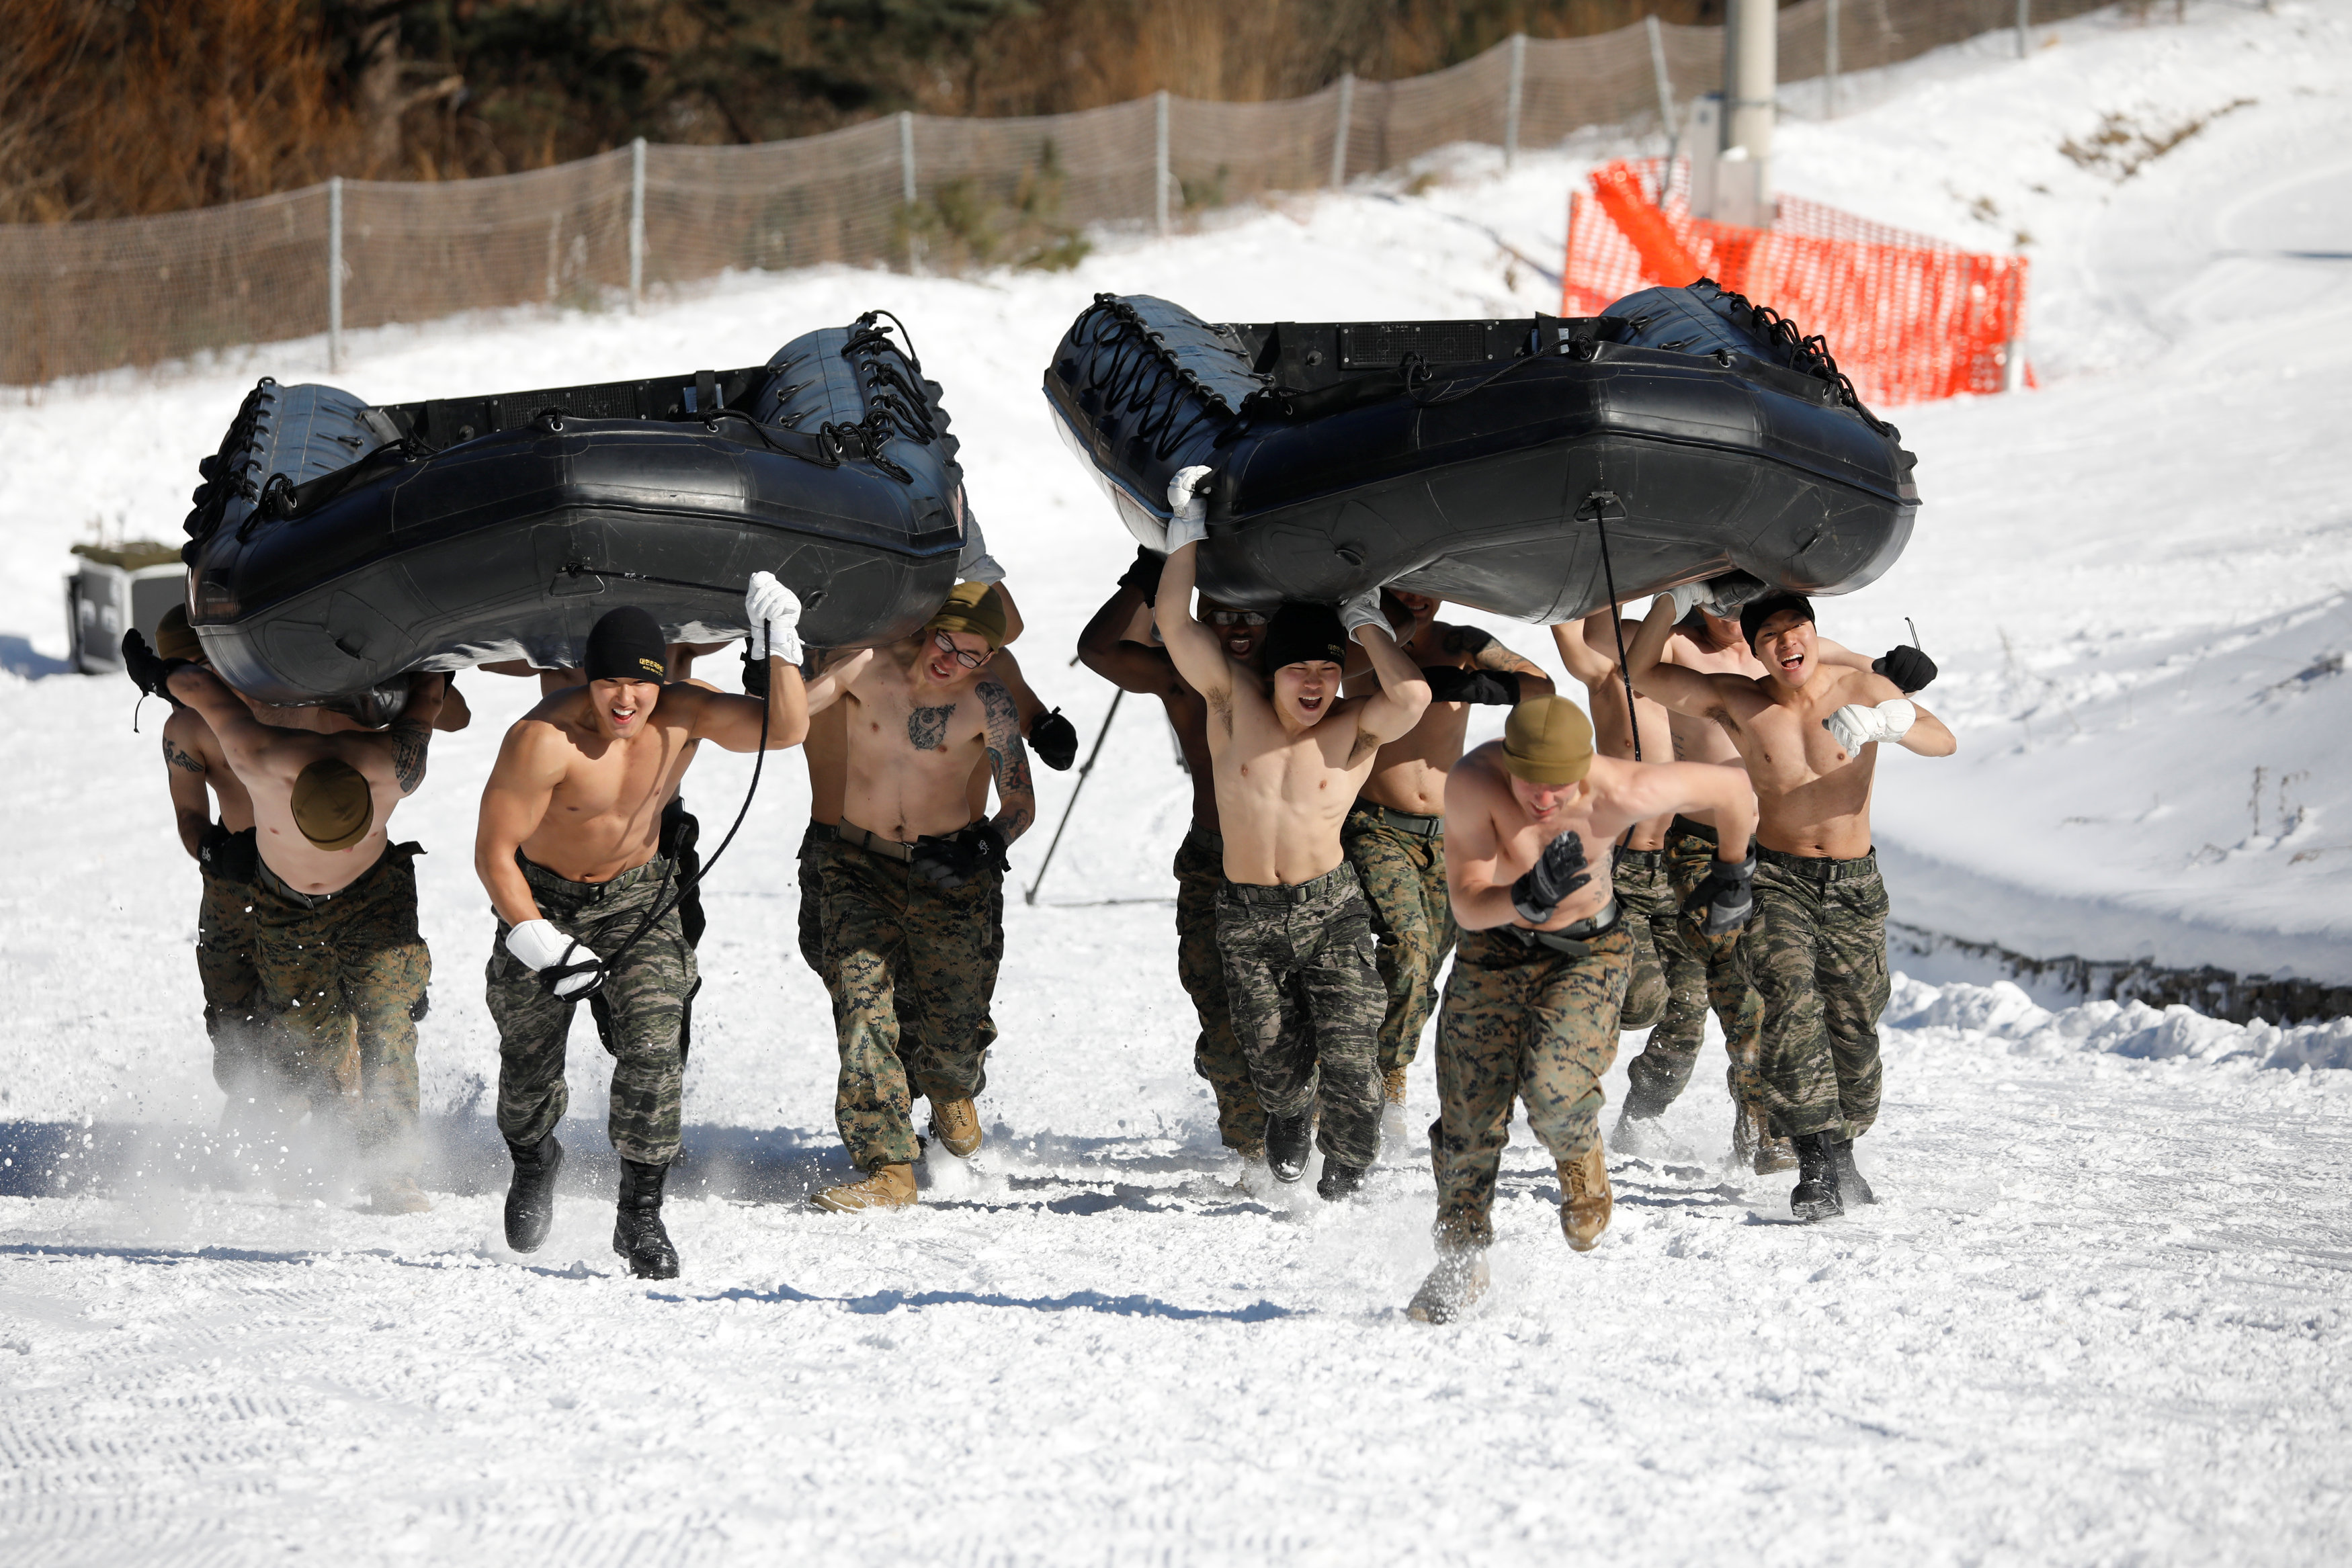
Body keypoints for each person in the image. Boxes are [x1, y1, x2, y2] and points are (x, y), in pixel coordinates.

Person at [475, 583, 814, 1278]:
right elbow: (492, 855)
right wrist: (537, 939)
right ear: (587, 681)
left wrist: (779, 642)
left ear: (663, 680)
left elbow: (785, 730)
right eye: (609, 685)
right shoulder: (541, 740)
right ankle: (535, 1160)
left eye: (640, 684)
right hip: (541, 902)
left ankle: (638, 1215)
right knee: (528, 1065)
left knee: (656, 1042)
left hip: (637, 898)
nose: (624, 702)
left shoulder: (686, 715)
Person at [1407, 696, 1759, 1323]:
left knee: (1554, 1089)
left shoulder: (1622, 788)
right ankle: (1460, 1262)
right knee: (1467, 1114)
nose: (1544, 801)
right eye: (1530, 785)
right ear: (1506, 763)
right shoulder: (1472, 783)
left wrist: (1733, 871)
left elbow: (1734, 788)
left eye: (1560, 787)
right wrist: (1523, 896)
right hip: (1492, 950)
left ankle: (1581, 1162)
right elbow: (1465, 902)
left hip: (1587, 952)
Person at [1628, 590, 1954, 1221]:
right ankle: (1813, 1162)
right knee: (1787, 1001)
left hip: (1855, 885)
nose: (1785, 643)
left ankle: (1842, 1144)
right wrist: (1673, 599)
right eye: (1769, 635)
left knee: (1854, 1030)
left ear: (1812, 631)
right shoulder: (1739, 702)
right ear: (1756, 650)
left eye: (1794, 628)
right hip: (1779, 880)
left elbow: (1945, 741)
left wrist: (1892, 721)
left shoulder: (1861, 687)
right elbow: (1640, 672)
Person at [1152, 467, 1432, 1199]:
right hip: (1246, 913)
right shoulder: (1228, 705)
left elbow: (1411, 694)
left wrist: (1362, 619)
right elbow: (1176, 624)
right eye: (1297, 670)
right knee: (1273, 1058)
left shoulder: (1349, 732)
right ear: (1269, 672)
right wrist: (1184, 531)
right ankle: (1284, 1115)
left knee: (1350, 1049)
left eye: (1326, 671)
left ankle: (1349, 1152)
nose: (1313, 683)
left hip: (1329, 910)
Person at [132, 639, 454, 1215]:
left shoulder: (396, 767)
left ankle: (391, 1170)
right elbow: (202, 691)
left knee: (388, 1025)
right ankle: (317, 1129)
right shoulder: (259, 755)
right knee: (312, 1034)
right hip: (283, 907)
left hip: (372, 896)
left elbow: (430, 697)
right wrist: (156, 674)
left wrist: (436, 643)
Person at [806, 581, 1036, 1213]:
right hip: (860, 868)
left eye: (971, 654)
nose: (951, 661)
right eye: (946, 642)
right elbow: (793, 713)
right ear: (927, 630)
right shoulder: (868, 667)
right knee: (862, 1010)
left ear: (987, 661)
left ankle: (953, 1087)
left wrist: (984, 846)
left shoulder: (988, 703)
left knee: (952, 1031)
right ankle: (889, 1169)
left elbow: (1020, 801)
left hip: (949, 876)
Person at [1077, 550, 1273, 1162]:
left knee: (1298, 1011)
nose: (1238, 630)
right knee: (1218, 1010)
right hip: (1214, 860)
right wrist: (1149, 575)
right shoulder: (1182, 679)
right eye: (1222, 616)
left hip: (1291, 866)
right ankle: (1253, 1152)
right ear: (1194, 621)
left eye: (1252, 617)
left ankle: (1302, 1128)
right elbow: (1099, 651)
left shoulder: (1302, 677)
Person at [1342, 591, 1554, 1142]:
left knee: (1427, 973)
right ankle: (1377, 1079)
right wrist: (1429, 683)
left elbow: (1541, 689)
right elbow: (1341, 677)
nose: (1420, 600)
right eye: (1407, 587)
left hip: (1448, 836)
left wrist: (1477, 685)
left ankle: (1377, 1060)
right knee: (1408, 950)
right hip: (1377, 827)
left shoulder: (1463, 643)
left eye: (1430, 588)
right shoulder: (1364, 641)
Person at [1546, 609, 1679, 1103]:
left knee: (1688, 1015)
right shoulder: (1609, 675)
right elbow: (1566, 618)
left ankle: (1643, 1118)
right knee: (1640, 1002)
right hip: (1620, 867)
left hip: (1682, 868)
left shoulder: (1707, 686)